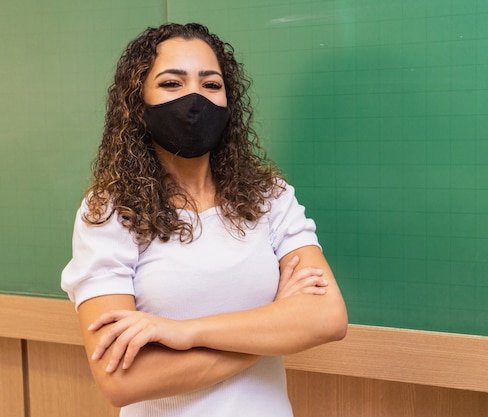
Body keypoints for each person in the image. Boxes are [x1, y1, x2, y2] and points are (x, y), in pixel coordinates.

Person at [61, 22, 348, 417]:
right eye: (171, 84)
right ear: (136, 101)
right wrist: (275, 325)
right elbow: (122, 380)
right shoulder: (110, 211)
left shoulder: (270, 196)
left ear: (230, 101)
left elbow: (328, 318)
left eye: (211, 85)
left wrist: (184, 332)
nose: (194, 99)